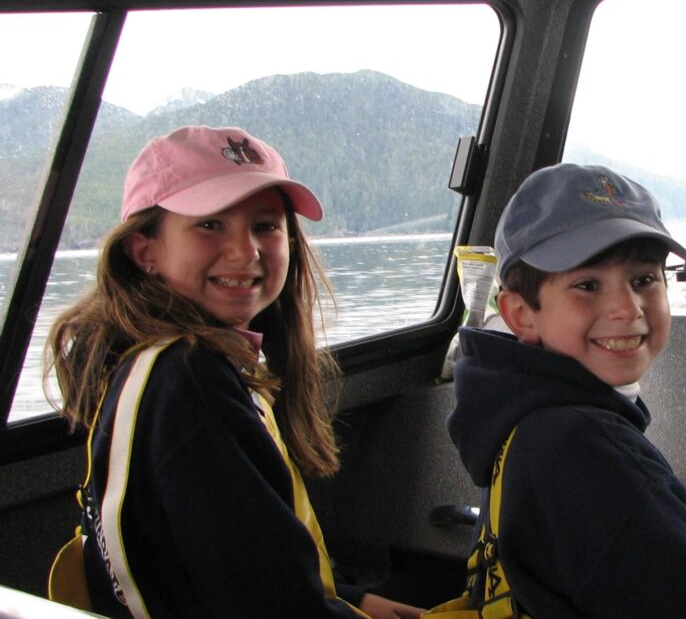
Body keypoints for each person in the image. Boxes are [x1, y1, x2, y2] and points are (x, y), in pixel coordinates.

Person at [46, 125, 423, 619]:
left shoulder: (164, 361)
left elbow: (234, 568)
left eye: (265, 225)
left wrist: (356, 602)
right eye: (210, 225)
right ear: (146, 252)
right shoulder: (187, 380)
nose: (245, 252)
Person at [446, 163, 686, 618]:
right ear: (521, 314)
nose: (626, 308)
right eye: (587, 285)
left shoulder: (516, 415)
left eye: (644, 280)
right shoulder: (587, 450)